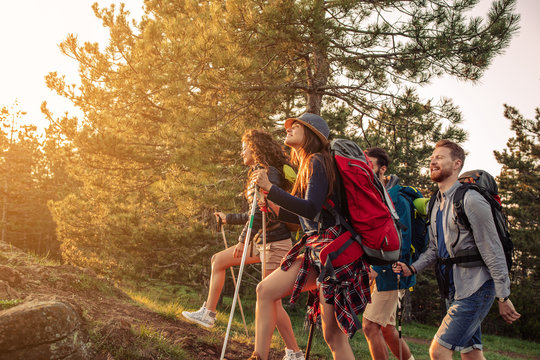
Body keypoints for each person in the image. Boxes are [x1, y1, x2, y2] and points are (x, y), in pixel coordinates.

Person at [250, 113, 371, 360]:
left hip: (332, 254)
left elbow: (311, 208)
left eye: (297, 126)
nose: (289, 128)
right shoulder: (308, 164)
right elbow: (305, 218)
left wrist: (271, 189)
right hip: (316, 248)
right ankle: (258, 356)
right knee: (265, 290)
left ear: (312, 134)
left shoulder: (317, 160)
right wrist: (272, 206)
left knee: (333, 336)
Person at [181, 129, 304, 360]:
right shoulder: (259, 172)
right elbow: (253, 213)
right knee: (218, 260)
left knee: (272, 300)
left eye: (244, 147)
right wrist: (229, 218)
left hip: (276, 243)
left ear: (255, 148)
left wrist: (241, 239)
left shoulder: (269, 174)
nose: (241, 152)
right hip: (260, 240)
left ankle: (294, 353)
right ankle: (208, 313)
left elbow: (263, 211)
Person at [393, 139, 520, 360]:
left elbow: (493, 249)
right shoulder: (435, 204)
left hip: (477, 287)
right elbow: (434, 250)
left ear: (457, 164)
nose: (433, 161)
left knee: (438, 351)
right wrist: (412, 269)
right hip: (454, 288)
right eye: (432, 158)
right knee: (472, 354)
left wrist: (503, 295)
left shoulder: (470, 199)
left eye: (440, 157)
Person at [363, 147, 415, 360]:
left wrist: (377, 267)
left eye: (370, 164)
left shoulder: (396, 198)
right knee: (386, 328)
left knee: (370, 325)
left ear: (382, 169)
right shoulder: (374, 195)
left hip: (390, 272)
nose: (366, 168)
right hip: (378, 271)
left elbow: (403, 241)